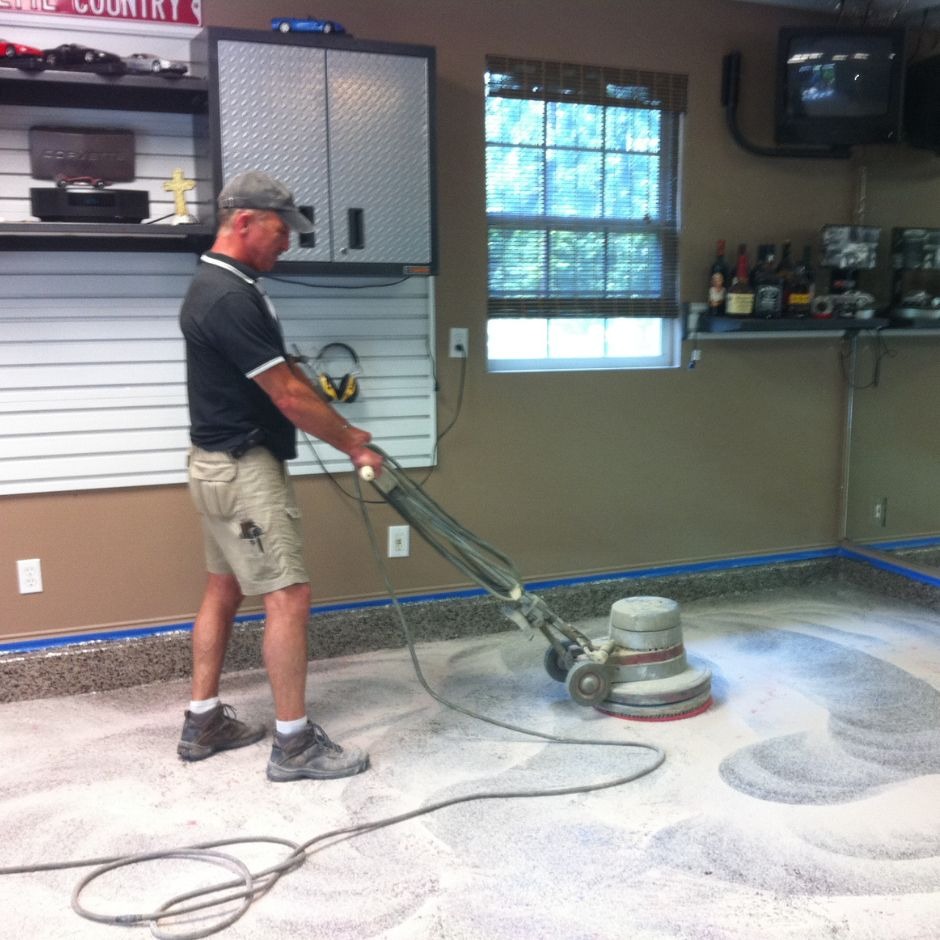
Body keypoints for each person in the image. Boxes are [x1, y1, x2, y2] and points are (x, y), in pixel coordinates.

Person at [177, 169, 383, 781]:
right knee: (288, 595)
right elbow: (287, 396)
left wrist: (329, 411)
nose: (288, 243)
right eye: (279, 229)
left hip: (214, 467)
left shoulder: (225, 285)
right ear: (244, 223)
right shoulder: (228, 295)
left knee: (223, 589)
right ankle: (294, 745)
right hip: (243, 472)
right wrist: (351, 442)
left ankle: (203, 720)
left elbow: (286, 374)